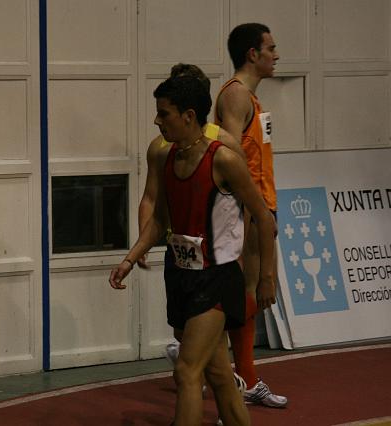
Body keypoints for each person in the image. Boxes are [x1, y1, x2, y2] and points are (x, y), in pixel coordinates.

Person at [110, 75, 276, 426]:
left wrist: (266, 278)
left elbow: (263, 218)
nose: (157, 121)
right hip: (181, 276)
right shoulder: (163, 156)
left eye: (163, 114)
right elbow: (158, 219)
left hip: (217, 280)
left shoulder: (224, 159)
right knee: (219, 378)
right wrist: (130, 256)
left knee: (186, 372)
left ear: (188, 115)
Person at [136, 64, 245, 391]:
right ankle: (212, 384)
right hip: (178, 255)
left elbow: (246, 207)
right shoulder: (160, 148)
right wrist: (143, 243)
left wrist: (243, 260)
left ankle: (217, 387)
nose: (160, 119)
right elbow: (150, 199)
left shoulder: (223, 147)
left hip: (214, 263)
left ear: (191, 109)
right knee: (183, 336)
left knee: (202, 352)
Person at [214, 23, 287, 408]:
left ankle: (241, 375)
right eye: (270, 48)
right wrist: (247, 209)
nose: (277, 55)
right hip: (248, 208)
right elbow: (229, 154)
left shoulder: (252, 100)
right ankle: (198, 350)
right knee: (248, 293)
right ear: (251, 54)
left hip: (261, 205)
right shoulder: (236, 97)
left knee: (254, 295)